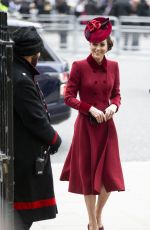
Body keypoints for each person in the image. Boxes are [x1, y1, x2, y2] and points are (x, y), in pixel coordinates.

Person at [60, 17, 125, 230]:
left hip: (107, 128)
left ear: (108, 46)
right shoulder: (79, 66)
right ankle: (93, 224)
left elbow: (116, 95)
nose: (98, 48)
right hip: (86, 128)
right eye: (94, 44)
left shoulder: (114, 66)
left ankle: (98, 215)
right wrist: (90, 108)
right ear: (90, 44)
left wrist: (113, 106)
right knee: (88, 177)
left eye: (102, 45)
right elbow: (68, 97)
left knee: (108, 177)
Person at [11, 26, 61, 230]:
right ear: (32, 53)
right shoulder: (21, 78)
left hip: (19, 148)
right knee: (23, 214)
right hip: (24, 153)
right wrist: (54, 138)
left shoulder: (16, 69)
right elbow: (35, 119)